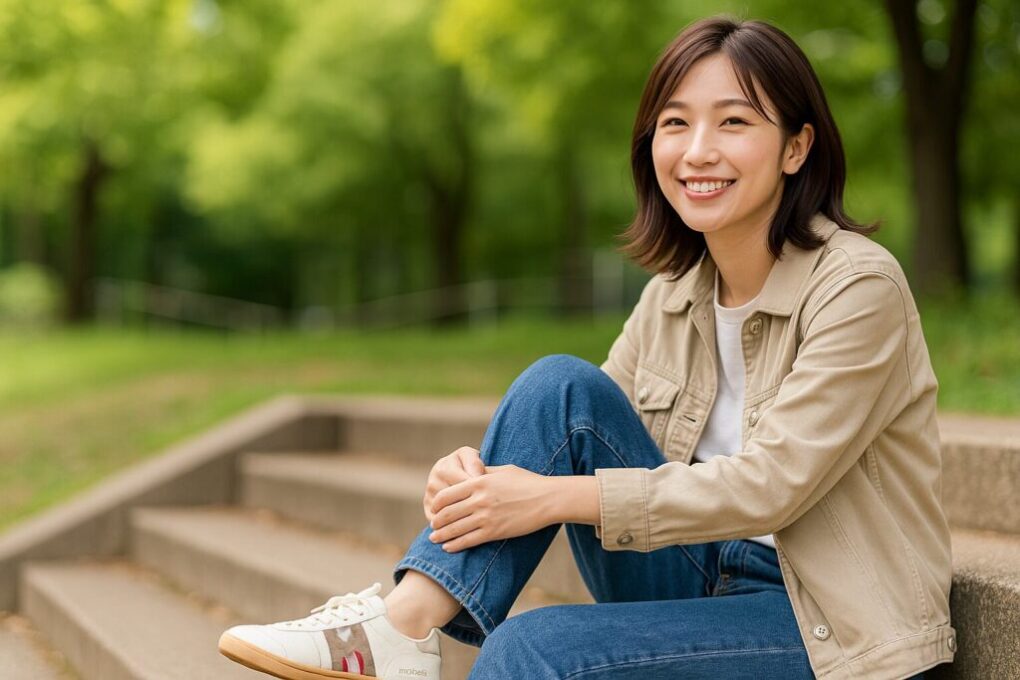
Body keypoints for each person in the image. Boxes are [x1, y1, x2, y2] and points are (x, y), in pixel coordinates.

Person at [217, 15, 955, 680]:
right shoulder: (677, 289)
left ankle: (396, 637)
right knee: (557, 386)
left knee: (530, 648)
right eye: (675, 124)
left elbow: (773, 485)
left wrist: (541, 498)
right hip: (698, 573)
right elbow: (571, 433)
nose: (698, 151)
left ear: (797, 147)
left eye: (733, 122)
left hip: (823, 622)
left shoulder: (858, 287)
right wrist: (476, 479)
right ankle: (405, 625)